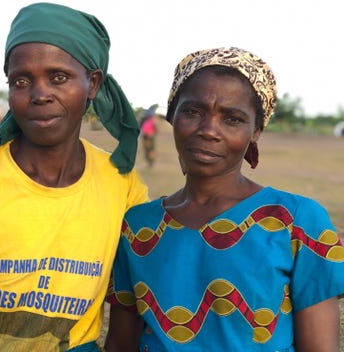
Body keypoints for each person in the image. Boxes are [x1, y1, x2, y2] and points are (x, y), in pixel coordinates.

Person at [0, 2, 148, 352]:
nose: (40, 94)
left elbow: (129, 308)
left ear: (93, 83)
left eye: (59, 77)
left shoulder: (122, 186)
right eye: (21, 80)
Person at [105, 47, 344, 351]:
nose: (208, 131)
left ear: (255, 131)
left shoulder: (296, 221)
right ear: (171, 116)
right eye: (193, 112)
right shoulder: (138, 227)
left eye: (231, 119)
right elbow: (119, 343)